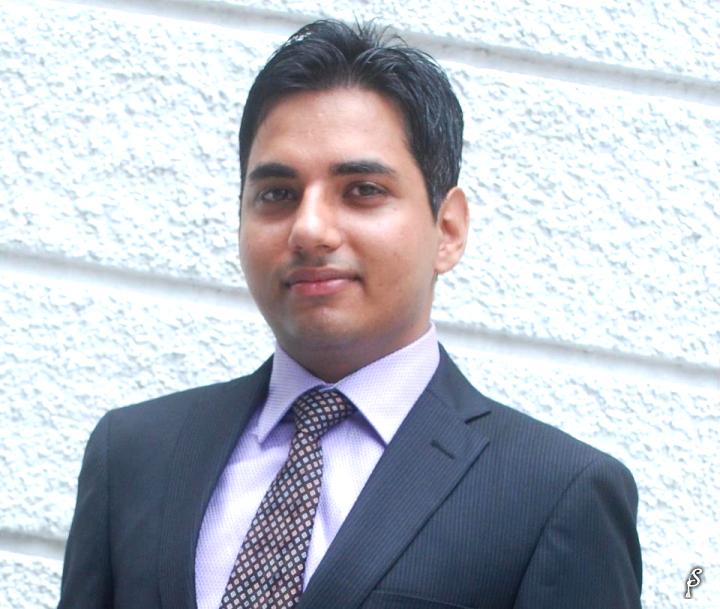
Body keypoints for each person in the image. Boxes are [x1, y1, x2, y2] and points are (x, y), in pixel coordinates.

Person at [58, 19, 642, 609]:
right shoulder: (133, 455)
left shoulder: (554, 495)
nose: (310, 229)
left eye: (362, 190)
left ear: (447, 229)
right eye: (277, 194)